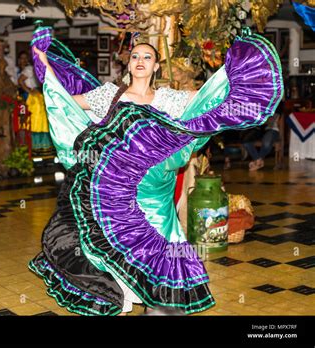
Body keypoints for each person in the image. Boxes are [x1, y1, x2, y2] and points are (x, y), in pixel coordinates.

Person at [28, 25, 283, 316]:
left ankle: (160, 299)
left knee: (163, 240)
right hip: (115, 188)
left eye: (147, 57)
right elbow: (65, 106)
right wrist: (47, 69)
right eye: (135, 55)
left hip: (156, 189)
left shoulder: (170, 99)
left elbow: (206, 102)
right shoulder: (109, 95)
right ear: (129, 63)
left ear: (156, 65)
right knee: (115, 237)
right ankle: (120, 292)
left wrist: (233, 71)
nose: (140, 60)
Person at [17, 51, 53, 156]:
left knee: (36, 120)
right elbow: (20, 81)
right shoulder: (25, 69)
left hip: (33, 97)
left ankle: (37, 145)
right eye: (21, 58)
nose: (23, 60)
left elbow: (20, 81)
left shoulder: (28, 69)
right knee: (33, 120)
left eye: (25, 58)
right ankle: (35, 145)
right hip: (31, 96)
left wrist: (29, 91)